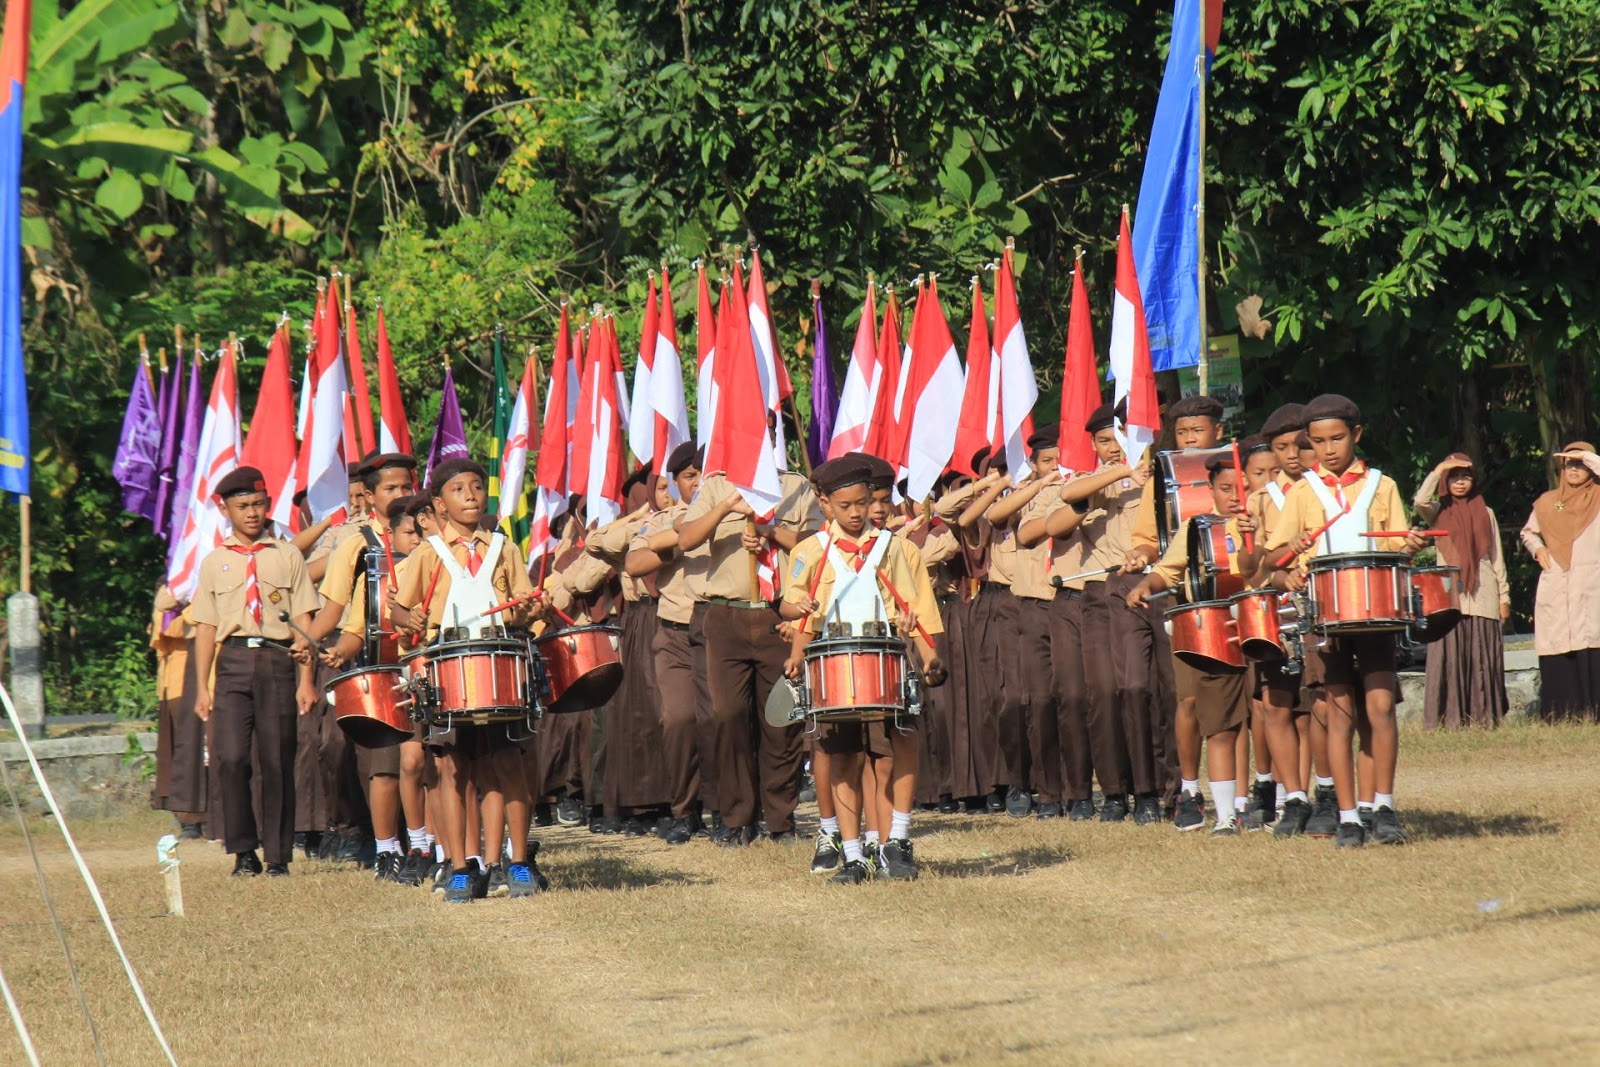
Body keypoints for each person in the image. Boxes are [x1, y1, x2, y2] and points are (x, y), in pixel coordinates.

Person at [1265, 395, 1427, 849]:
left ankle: (1385, 807)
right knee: (1338, 715)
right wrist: (1290, 561)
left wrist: (1409, 546)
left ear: (1357, 434)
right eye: (1317, 442)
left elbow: (1395, 547)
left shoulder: (1382, 486)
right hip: (1324, 617)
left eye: (1337, 438)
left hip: (1375, 614)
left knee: (1378, 710)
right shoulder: (1301, 492)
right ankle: (1349, 816)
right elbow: (1274, 561)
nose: (1328, 449)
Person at [782, 454, 945, 885]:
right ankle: (853, 855)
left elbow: (922, 611)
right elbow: (791, 603)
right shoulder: (809, 551)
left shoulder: (898, 549)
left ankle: (898, 840)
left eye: (862, 503)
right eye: (846, 506)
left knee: (900, 745)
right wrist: (796, 639)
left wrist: (929, 658)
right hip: (833, 660)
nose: (856, 513)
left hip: (887, 656)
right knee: (842, 756)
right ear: (824, 504)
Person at [393, 458, 545, 902]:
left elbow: (521, 603)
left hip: (497, 668)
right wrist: (410, 616)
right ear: (439, 503)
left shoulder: (504, 547)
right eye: (459, 490)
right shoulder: (429, 552)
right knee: (452, 771)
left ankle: (515, 862)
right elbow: (399, 611)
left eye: (477, 487)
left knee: (506, 766)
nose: (472, 496)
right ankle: (460, 867)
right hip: (447, 674)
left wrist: (531, 609)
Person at [678, 446, 822, 847]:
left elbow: (818, 543)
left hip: (779, 615)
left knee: (780, 719)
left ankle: (780, 819)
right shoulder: (713, 486)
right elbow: (687, 539)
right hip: (725, 615)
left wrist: (771, 530)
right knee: (727, 717)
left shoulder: (794, 487)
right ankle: (737, 815)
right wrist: (727, 506)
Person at [189, 467, 319, 877]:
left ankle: (278, 855)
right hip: (232, 662)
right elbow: (206, 628)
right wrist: (202, 688)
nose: (252, 513)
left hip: (278, 659)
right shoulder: (214, 562)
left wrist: (307, 680)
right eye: (242, 506)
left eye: (259, 504)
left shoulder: (287, 555)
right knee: (229, 758)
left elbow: (304, 622)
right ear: (225, 509)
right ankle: (243, 850)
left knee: (277, 758)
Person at [1127, 453, 1263, 836]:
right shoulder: (1194, 528)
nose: (1236, 497)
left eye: (1243, 488)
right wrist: (1144, 586)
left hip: (1250, 623)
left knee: (1248, 715)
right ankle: (1191, 791)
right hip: (1203, 627)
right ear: (1211, 492)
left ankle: (1248, 798)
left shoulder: (1264, 523)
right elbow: (1166, 571)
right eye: (1225, 489)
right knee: (1194, 708)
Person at [312, 452, 419, 881]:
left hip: (421, 661)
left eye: (405, 487)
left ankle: (425, 844)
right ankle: (379, 841)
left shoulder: (428, 534)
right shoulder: (356, 544)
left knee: (422, 760)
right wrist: (316, 645)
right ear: (369, 497)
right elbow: (334, 608)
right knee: (376, 759)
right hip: (372, 663)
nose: (399, 495)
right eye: (390, 489)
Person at [625, 443, 707, 845]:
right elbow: (635, 563)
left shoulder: (732, 514)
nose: (697, 482)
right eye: (689, 477)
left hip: (723, 630)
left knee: (729, 720)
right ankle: (684, 810)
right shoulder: (666, 520)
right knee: (677, 719)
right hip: (676, 632)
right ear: (675, 485)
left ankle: (735, 810)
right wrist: (679, 543)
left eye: (702, 474)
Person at [982, 427, 1066, 818]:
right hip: (1020, 603)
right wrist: (1035, 485)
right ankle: (1021, 781)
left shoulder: (1077, 487)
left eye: (1059, 459)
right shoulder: (1025, 497)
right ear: (1032, 464)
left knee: (1065, 699)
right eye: (1047, 460)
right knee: (1018, 700)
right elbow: (991, 514)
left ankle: (1062, 787)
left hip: (1064, 600)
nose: (1056, 467)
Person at [1414, 453, 1511, 728]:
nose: (1459, 482)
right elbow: (1419, 500)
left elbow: (1496, 557)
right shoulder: (1437, 510)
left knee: (1482, 655)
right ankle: (1449, 719)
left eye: (1465, 476)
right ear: (1446, 480)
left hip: (1483, 589)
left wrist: (1504, 596)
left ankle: (1484, 719)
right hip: (1449, 589)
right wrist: (1438, 469)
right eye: (1453, 476)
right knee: (1449, 652)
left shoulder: (1486, 512)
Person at [1521, 444, 1600, 721]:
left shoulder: (1598, 497)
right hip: (1557, 581)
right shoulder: (1547, 501)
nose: (1575, 470)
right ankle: (1563, 714)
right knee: (1558, 644)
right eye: (1569, 464)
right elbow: (1529, 532)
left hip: (1591, 583)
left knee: (1591, 641)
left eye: (1580, 464)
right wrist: (1538, 549)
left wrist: (1587, 456)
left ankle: (1594, 712)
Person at [150, 583, 206, 838]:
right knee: (181, 752)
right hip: (175, 684)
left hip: (196, 682)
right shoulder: (170, 591)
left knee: (198, 750)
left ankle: (201, 815)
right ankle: (187, 817)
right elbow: (166, 625)